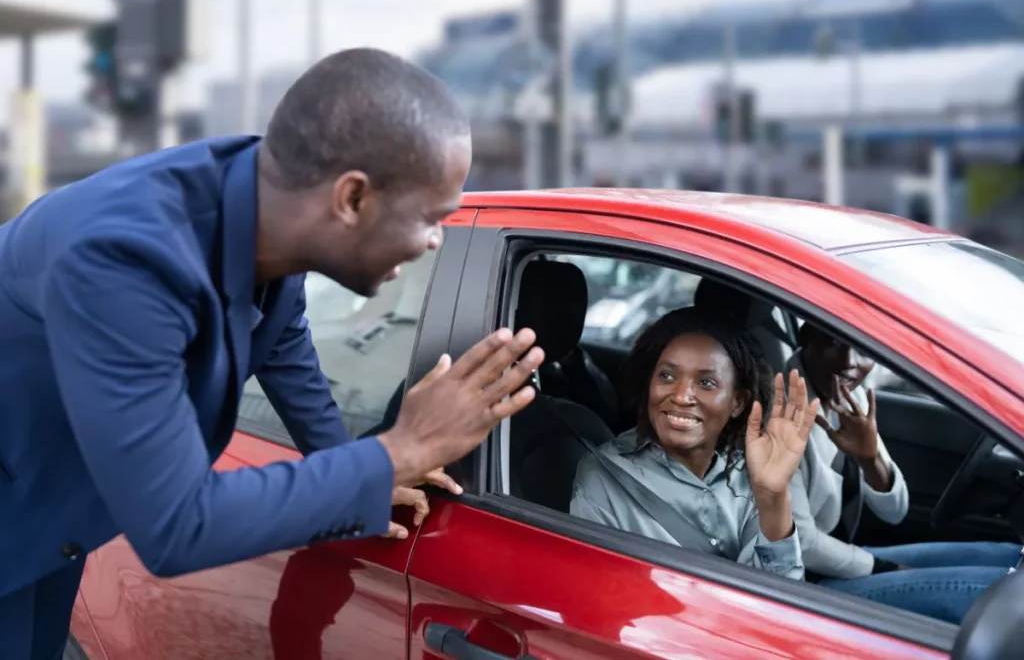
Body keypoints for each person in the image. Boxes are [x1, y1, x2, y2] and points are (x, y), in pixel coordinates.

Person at [0, 48, 545, 660]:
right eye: (430, 217)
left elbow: (291, 363)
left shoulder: (268, 208)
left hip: (50, 516)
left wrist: (363, 473)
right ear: (352, 199)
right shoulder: (124, 261)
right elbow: (177, 528)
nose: (435, 240)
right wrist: (399, 449)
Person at [786, 322, 1018, 623]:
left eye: (863, 347)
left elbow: (894, 512)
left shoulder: (846, 394)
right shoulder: (779, 414)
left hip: (837, 555)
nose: (849, 361)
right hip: (800, 586)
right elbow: (800, 544)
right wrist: (882, 567)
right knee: (999, 597)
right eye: (834, 342)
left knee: (1009, 557)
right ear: (806, 339)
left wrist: (870, 460)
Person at [570, 307, 820, 581]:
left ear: (737, 402)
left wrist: (774, 500)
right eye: (667, 376)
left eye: (706, 382)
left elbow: (779, 596)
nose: (681, 396)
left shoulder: (750, 470)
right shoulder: (603, 478)